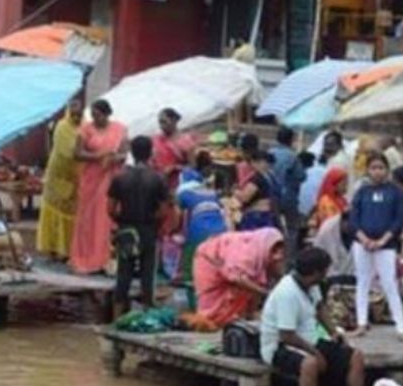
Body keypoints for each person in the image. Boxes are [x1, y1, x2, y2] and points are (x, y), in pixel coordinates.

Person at [260, 247, 366, 386]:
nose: (326, 275)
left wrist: (334, 332)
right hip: (279, 346)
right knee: (310, 364)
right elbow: (287, 335)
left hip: (307, 339)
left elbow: (320, 308)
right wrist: (316, 353)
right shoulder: (287, 292)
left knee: (356, 356)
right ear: (316, 272)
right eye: (325, 270)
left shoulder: (311, 285)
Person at [346, 152, 403, 337]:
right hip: (362, 243)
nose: (378, 172)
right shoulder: (362, 192)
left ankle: (400, 327)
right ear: (367, 170)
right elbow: (353, 219)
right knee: (363, 282)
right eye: (374, 168)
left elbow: (399, 221)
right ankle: (362, 323)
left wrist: (383, 240)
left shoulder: (395, 192)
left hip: (386, 245)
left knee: (389, 282)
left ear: (387, 170)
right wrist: (363, 238)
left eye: (381, 168)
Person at [108, 136, 168, 312]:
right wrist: (153, 221)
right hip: (148, 230)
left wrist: (121, 221)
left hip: (126, 230)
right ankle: (147, 314)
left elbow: (110, 209)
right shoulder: (158, 178)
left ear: (132, 154)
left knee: (123, 275)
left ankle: (117, 318)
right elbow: (164, 210)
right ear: (150, 153)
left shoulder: (120, 178)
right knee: (147, 275)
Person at [71, 99, 128, 274]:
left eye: (98, 115)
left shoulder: (120, 129)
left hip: (111, 177)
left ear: (107, 114)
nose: (95, 119)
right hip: (91, 178)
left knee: (106, 218)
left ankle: (104, 259)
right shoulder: (86, 129)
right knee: (88, 219)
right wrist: (98, 156)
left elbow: (124, 154)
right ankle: (85, 257)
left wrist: (113, 158)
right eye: (93, 115)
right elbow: (77, 153)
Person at [192, 228, 286, 329]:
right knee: (212, 305)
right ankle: (206, 322)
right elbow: (236, 278)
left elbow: (257, 284)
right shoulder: (247, 252)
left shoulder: (260, 256)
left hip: (229, 266)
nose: (277, 256)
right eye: (274, 250)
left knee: (248, 290)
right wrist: (265, 293)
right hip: (208, 260)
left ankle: (241, 318)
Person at [37, 97, 83, 262]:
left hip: (74, 177)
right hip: (57, 175)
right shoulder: (62, 127)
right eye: (73, 112)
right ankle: (51, 250)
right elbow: (69, 151)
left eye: (79, 112)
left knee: (70, 213)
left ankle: (67, 250)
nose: (77, 116)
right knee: (53, 211)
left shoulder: (84, 128)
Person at [176, 169, 229, 308]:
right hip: (221, 232)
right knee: (217, 266)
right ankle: (217, 304)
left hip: (197, 233)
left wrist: (176, 233)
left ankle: (195, 306)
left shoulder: (184, 194)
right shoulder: (213, 194)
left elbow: (177, 217)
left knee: (191, 268)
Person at [271, 127, 307, 254]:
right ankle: (289, 255)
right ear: (291, 140)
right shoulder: (292, 156)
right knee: (292, 227)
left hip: (272, 195)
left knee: (274, 227)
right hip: (288, 196)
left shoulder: (269, 153)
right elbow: (301, 176)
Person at [235, 151, 280, 231]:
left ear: (254, 162)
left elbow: (245, 198)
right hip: (267, 214)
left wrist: (235, 192)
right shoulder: (270, 176)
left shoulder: (257, 178)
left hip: (255, 216)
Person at [152, 107, 194, 188]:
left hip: (178, 186)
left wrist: (175, 168)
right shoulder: (156, 140)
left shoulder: (186, 141)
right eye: (159, 123)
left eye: (164, 122)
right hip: (158, 186)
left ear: (174, 120)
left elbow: (192, 167)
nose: (161, 126)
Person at [310, 167, 349, 232]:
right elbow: (331, 221)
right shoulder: (326, 200)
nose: (346, 186)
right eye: (343, 183)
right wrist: (345, 213)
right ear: (334, 184)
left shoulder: (340, 199)